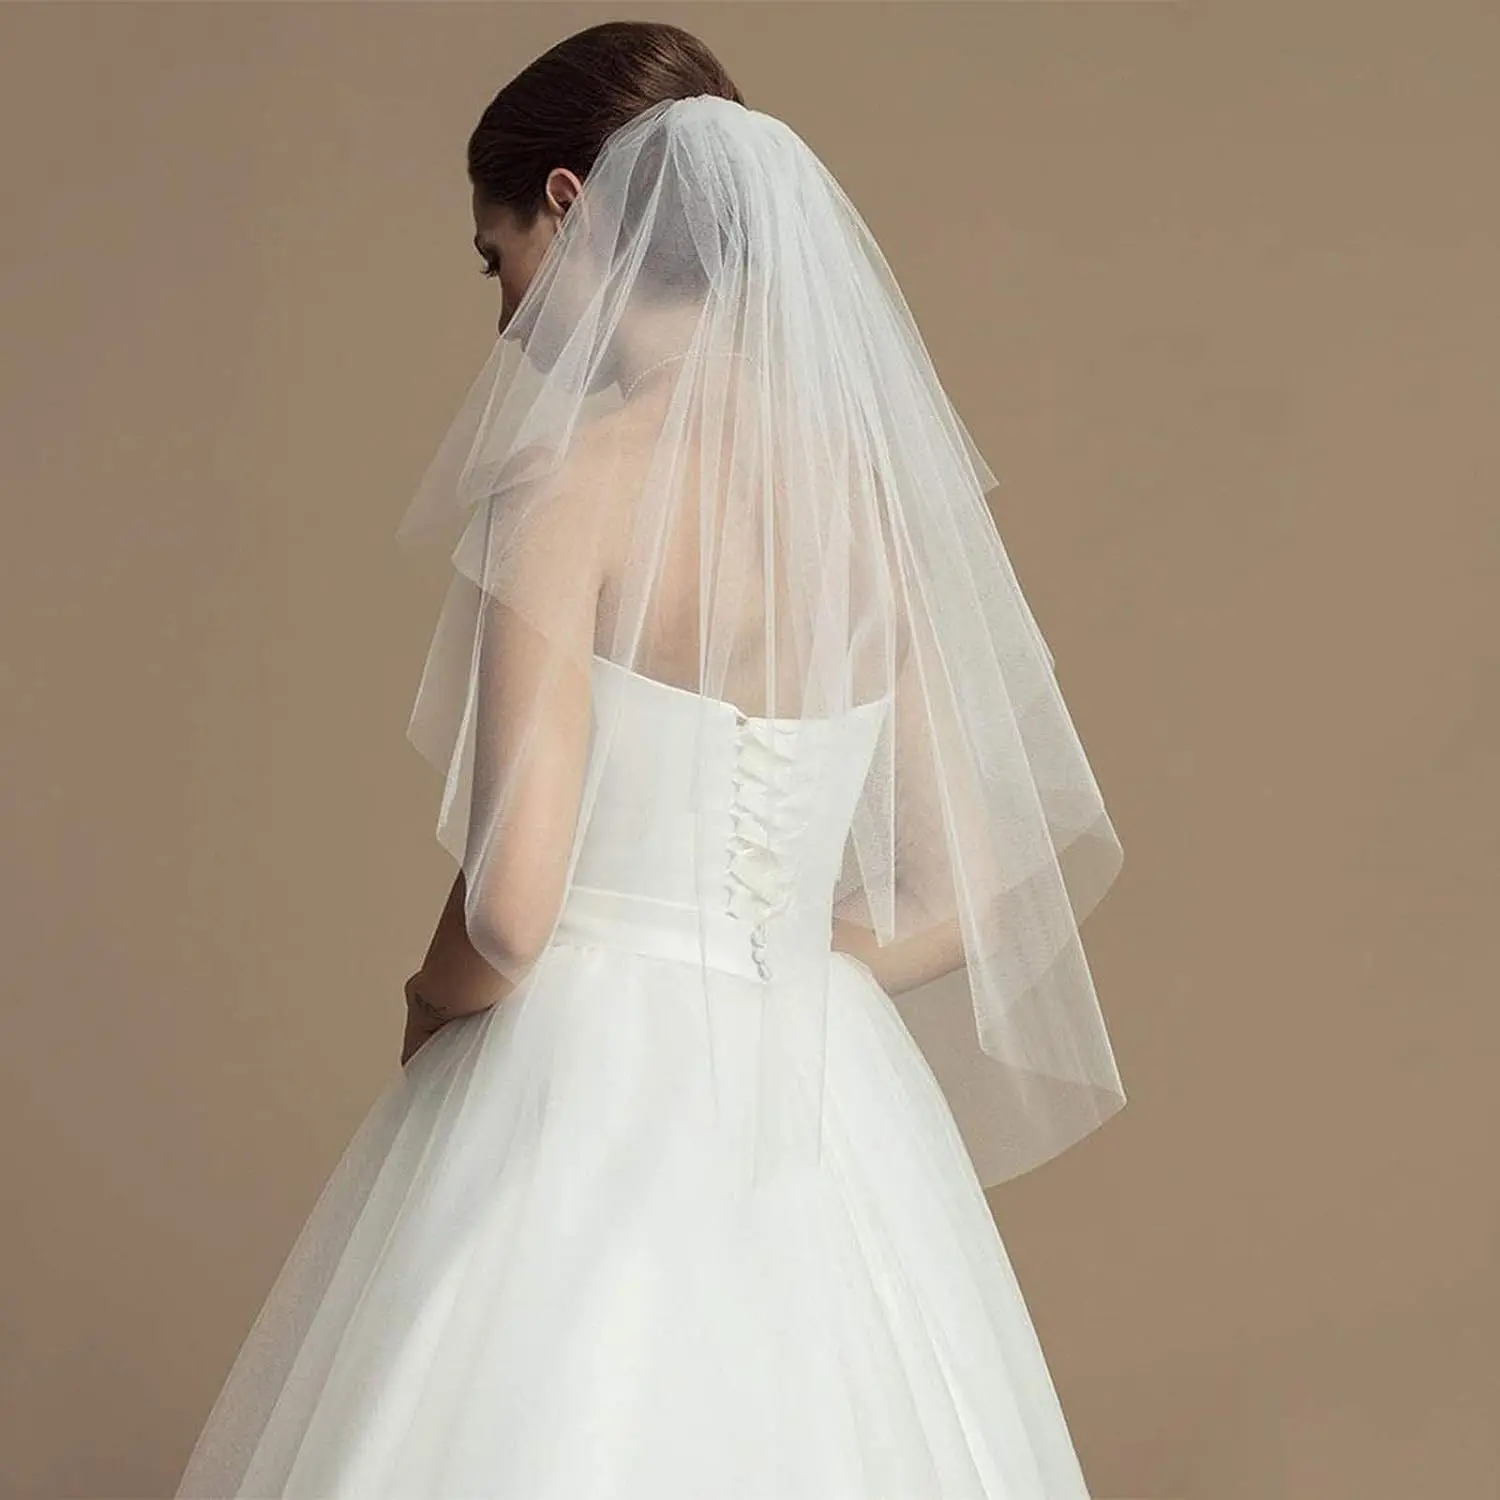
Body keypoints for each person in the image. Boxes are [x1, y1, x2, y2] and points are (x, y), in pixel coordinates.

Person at [174, 20, 1126, 1498]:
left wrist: (429, 1002)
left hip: (578, 1081)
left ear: (568, 204)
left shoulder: (566, 483)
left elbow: (512, 910)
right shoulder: (866, 496)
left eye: (495, 258)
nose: (504, 318)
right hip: (820, 1096)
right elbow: (971, 878)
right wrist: (763, 962)